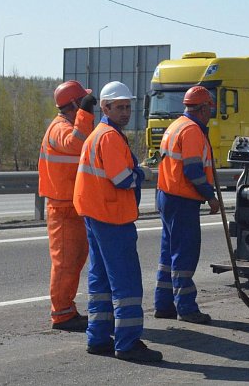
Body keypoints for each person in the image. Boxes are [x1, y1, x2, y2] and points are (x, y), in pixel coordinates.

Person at [73, 81, 161, 364]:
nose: (125, 112)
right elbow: (122, 179)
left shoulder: (97, 135)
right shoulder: (109, 137)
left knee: (100, 280)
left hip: (96, 215)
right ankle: (128, 343)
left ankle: (98, 337)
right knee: (127, 283)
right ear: (105, 107)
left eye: (127, 107)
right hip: (112, 217)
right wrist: (143, 174)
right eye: (119, 107)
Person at [154, 85, 220, 324]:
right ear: (202, 109)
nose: (210, 114)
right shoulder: (192, 131)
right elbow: (192, 170)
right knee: (184, 254)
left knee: (168, 254)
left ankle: (164, 304)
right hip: (182, 199)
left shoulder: (176, 126)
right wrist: (210, 196)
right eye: (209, 109)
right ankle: (186, 308)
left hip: (166, 196)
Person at [38, 80, 96, 332]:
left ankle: (67, 309)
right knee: (65, 263)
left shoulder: (71, 126)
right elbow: (76, 143)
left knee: (75, 261)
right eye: (83, 103)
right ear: (75, 104)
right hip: (62, 209)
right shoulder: (59, 128)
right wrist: (85, 113)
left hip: (74, 206)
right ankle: (61, 314)